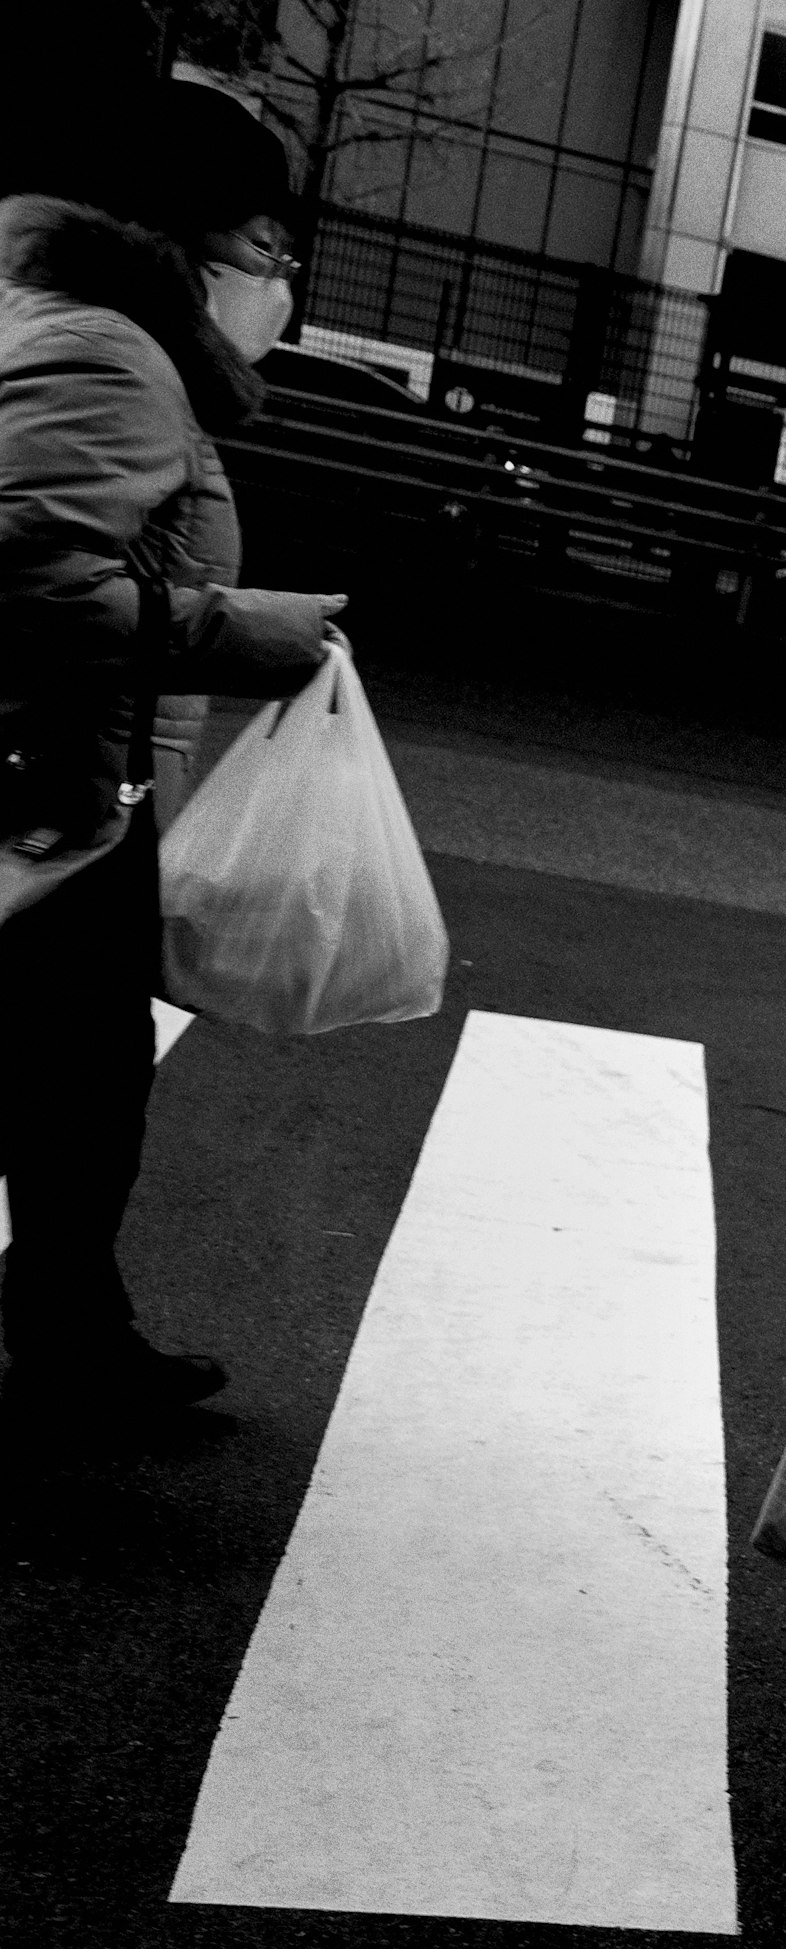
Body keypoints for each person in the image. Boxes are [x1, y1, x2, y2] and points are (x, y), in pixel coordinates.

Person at [0, 71, 343, 1430]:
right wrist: (239, 631)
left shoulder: (81, 328)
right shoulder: (109, 349)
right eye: (264, 239)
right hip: (47, 785)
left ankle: (75, 1328)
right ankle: (74, 1340)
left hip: (74, 780)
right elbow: (25, 576)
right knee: (75, 1087)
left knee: (81, 1087)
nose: (284, 269)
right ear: (179, 234)